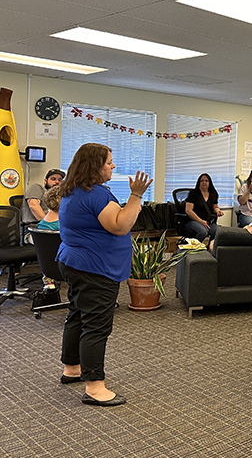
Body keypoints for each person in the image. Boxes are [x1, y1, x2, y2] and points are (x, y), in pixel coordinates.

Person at [57, 143, 153, 407]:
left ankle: (72, 368)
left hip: (74, 262)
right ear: (94, 166)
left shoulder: (72, 190)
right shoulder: (96, 195)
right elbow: (121, 225)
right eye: (109, 162)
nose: (112, 166)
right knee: (96, 325)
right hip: (94, 268)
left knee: (77, 314)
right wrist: (136, 196)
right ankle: (95, 387)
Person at [184, 173, 223, 243]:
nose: (204, 183)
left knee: (217, 232)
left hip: (208, 221)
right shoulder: (193, 194)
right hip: (193, 220)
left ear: (209, 183)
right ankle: (193, 248)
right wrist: (201, 221)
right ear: (199, 182)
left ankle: (210, 249)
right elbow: (188, 210)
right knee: (202, 232)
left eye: (206, 181)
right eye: (202, 181)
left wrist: (218, 211)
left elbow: (215, 207)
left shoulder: (213, 194)